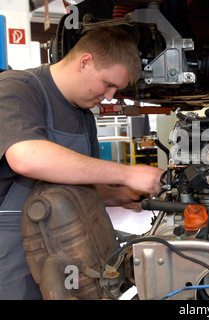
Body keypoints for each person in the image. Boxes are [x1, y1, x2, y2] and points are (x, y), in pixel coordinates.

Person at [0, 27, 164, 299]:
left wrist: (118, 196)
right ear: (85, 61)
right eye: (108, 84)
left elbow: (78, 186)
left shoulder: (84, 116)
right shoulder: (18, 88)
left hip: (63, 248)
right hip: (12, 252)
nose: (110, 96)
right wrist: (127, 173)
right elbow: (25, 157)